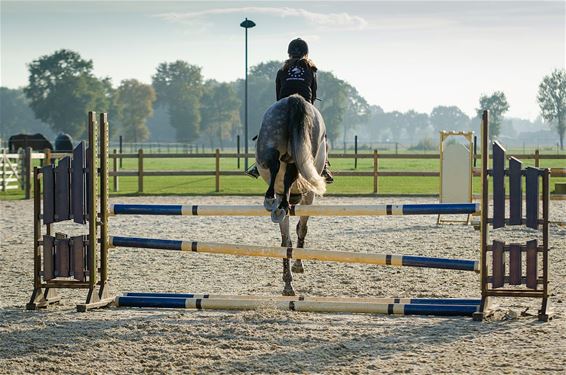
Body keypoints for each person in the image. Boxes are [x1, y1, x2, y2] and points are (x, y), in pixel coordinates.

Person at [246, 38, 334, 183]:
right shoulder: (311, 70)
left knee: (264, 132)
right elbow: (314, 93)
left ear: (289, 53)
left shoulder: (282, 70)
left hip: (283, 105)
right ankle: (324, 167)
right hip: (305, 105)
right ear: (306, 53)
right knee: (323, 136)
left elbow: (278, 95)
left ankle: (257, 166)